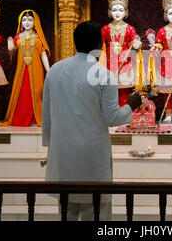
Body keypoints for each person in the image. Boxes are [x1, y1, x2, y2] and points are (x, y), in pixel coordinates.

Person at [42, 20, 142, 221]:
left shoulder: (55, 71)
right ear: (100, 45)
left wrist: (50, 146)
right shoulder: (104, 75)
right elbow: (112, 117)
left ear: (75, 42)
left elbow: (47, 115)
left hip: (63, 154)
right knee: (97, 213)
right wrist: (131, 105)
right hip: (92, 159)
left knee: (67, 211)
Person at [0, 10, 50, 127]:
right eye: (24, 20)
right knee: (22, 94)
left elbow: (43, 54)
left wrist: (48, 69)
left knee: (37, 92)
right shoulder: (18, 37)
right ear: (20, 22)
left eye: (30, 20)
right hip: (21, 70)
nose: (27, 22)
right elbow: (12, 53)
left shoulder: (38, 37)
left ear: (35, 22)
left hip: (36, 69)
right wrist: (10, 46)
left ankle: (35, 119)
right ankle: (20, 119)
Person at [100, 0, 142, 107]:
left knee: (124, 90)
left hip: (125, 63)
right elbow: (101, 46)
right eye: (114, 9)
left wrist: (136, 44)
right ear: (109, 12)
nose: (117, 13)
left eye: (120, 9)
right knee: (110, 90)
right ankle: (111, 113)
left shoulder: (129, 29)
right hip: (109, 63)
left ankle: (123, 114)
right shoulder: (105, 29)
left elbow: (133, 44)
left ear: (126, 12)